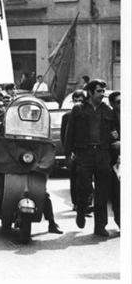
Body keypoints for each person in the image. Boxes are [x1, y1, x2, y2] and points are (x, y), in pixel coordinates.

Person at [0, 98, 62, 234]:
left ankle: (52, 223)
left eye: (2, 106)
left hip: (27, 161)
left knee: (43, 193)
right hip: (7, 162)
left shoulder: (20, 122)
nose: (0, 109)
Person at [65, 79, 118, 237]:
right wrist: (68, 154)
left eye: (103, 91)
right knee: (85, 187)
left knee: (102, 192)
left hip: (103, 154)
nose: (102, 94)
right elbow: (70, 134)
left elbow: (114, 131)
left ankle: (100, 226)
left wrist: (114, 135)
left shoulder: (108, 110)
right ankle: (81, 210)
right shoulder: (78, 110)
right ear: (90, 92)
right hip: (84, 155)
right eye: (99, 91)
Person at [60, 90, 87, 211]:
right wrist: (68, 152)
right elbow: (63, 136)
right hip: (74, 152)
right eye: (75, 100)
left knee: (87, 179)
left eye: (80, 100)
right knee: (74, 178)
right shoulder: (67, 116)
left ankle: (86, 203)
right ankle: (76, 202)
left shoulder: (88, 114)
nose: (78, 103)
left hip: (87, 151)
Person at [107, 91, 120, 229]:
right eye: (118, 102)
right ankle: (120, 221)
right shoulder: (109, 117)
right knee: (117, 193)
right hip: (115, 161)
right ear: (111, 103)